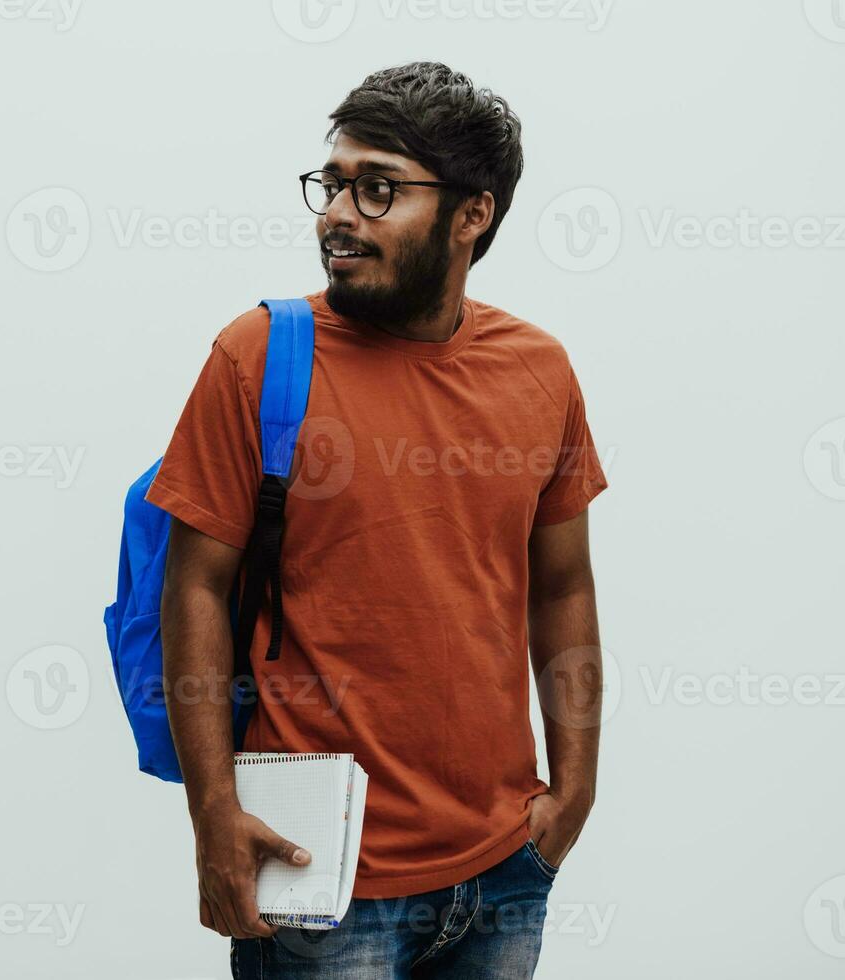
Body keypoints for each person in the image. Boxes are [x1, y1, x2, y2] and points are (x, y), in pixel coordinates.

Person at [146, 62, 608, 978]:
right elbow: (193, 586)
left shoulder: (538, 370)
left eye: (378, 189)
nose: (337, 214)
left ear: (471, 214)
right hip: (317, 875)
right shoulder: (259, 357)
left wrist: (576, 790)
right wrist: (211, 813)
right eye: (334, 183)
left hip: (501, 868)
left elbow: (561, 586)